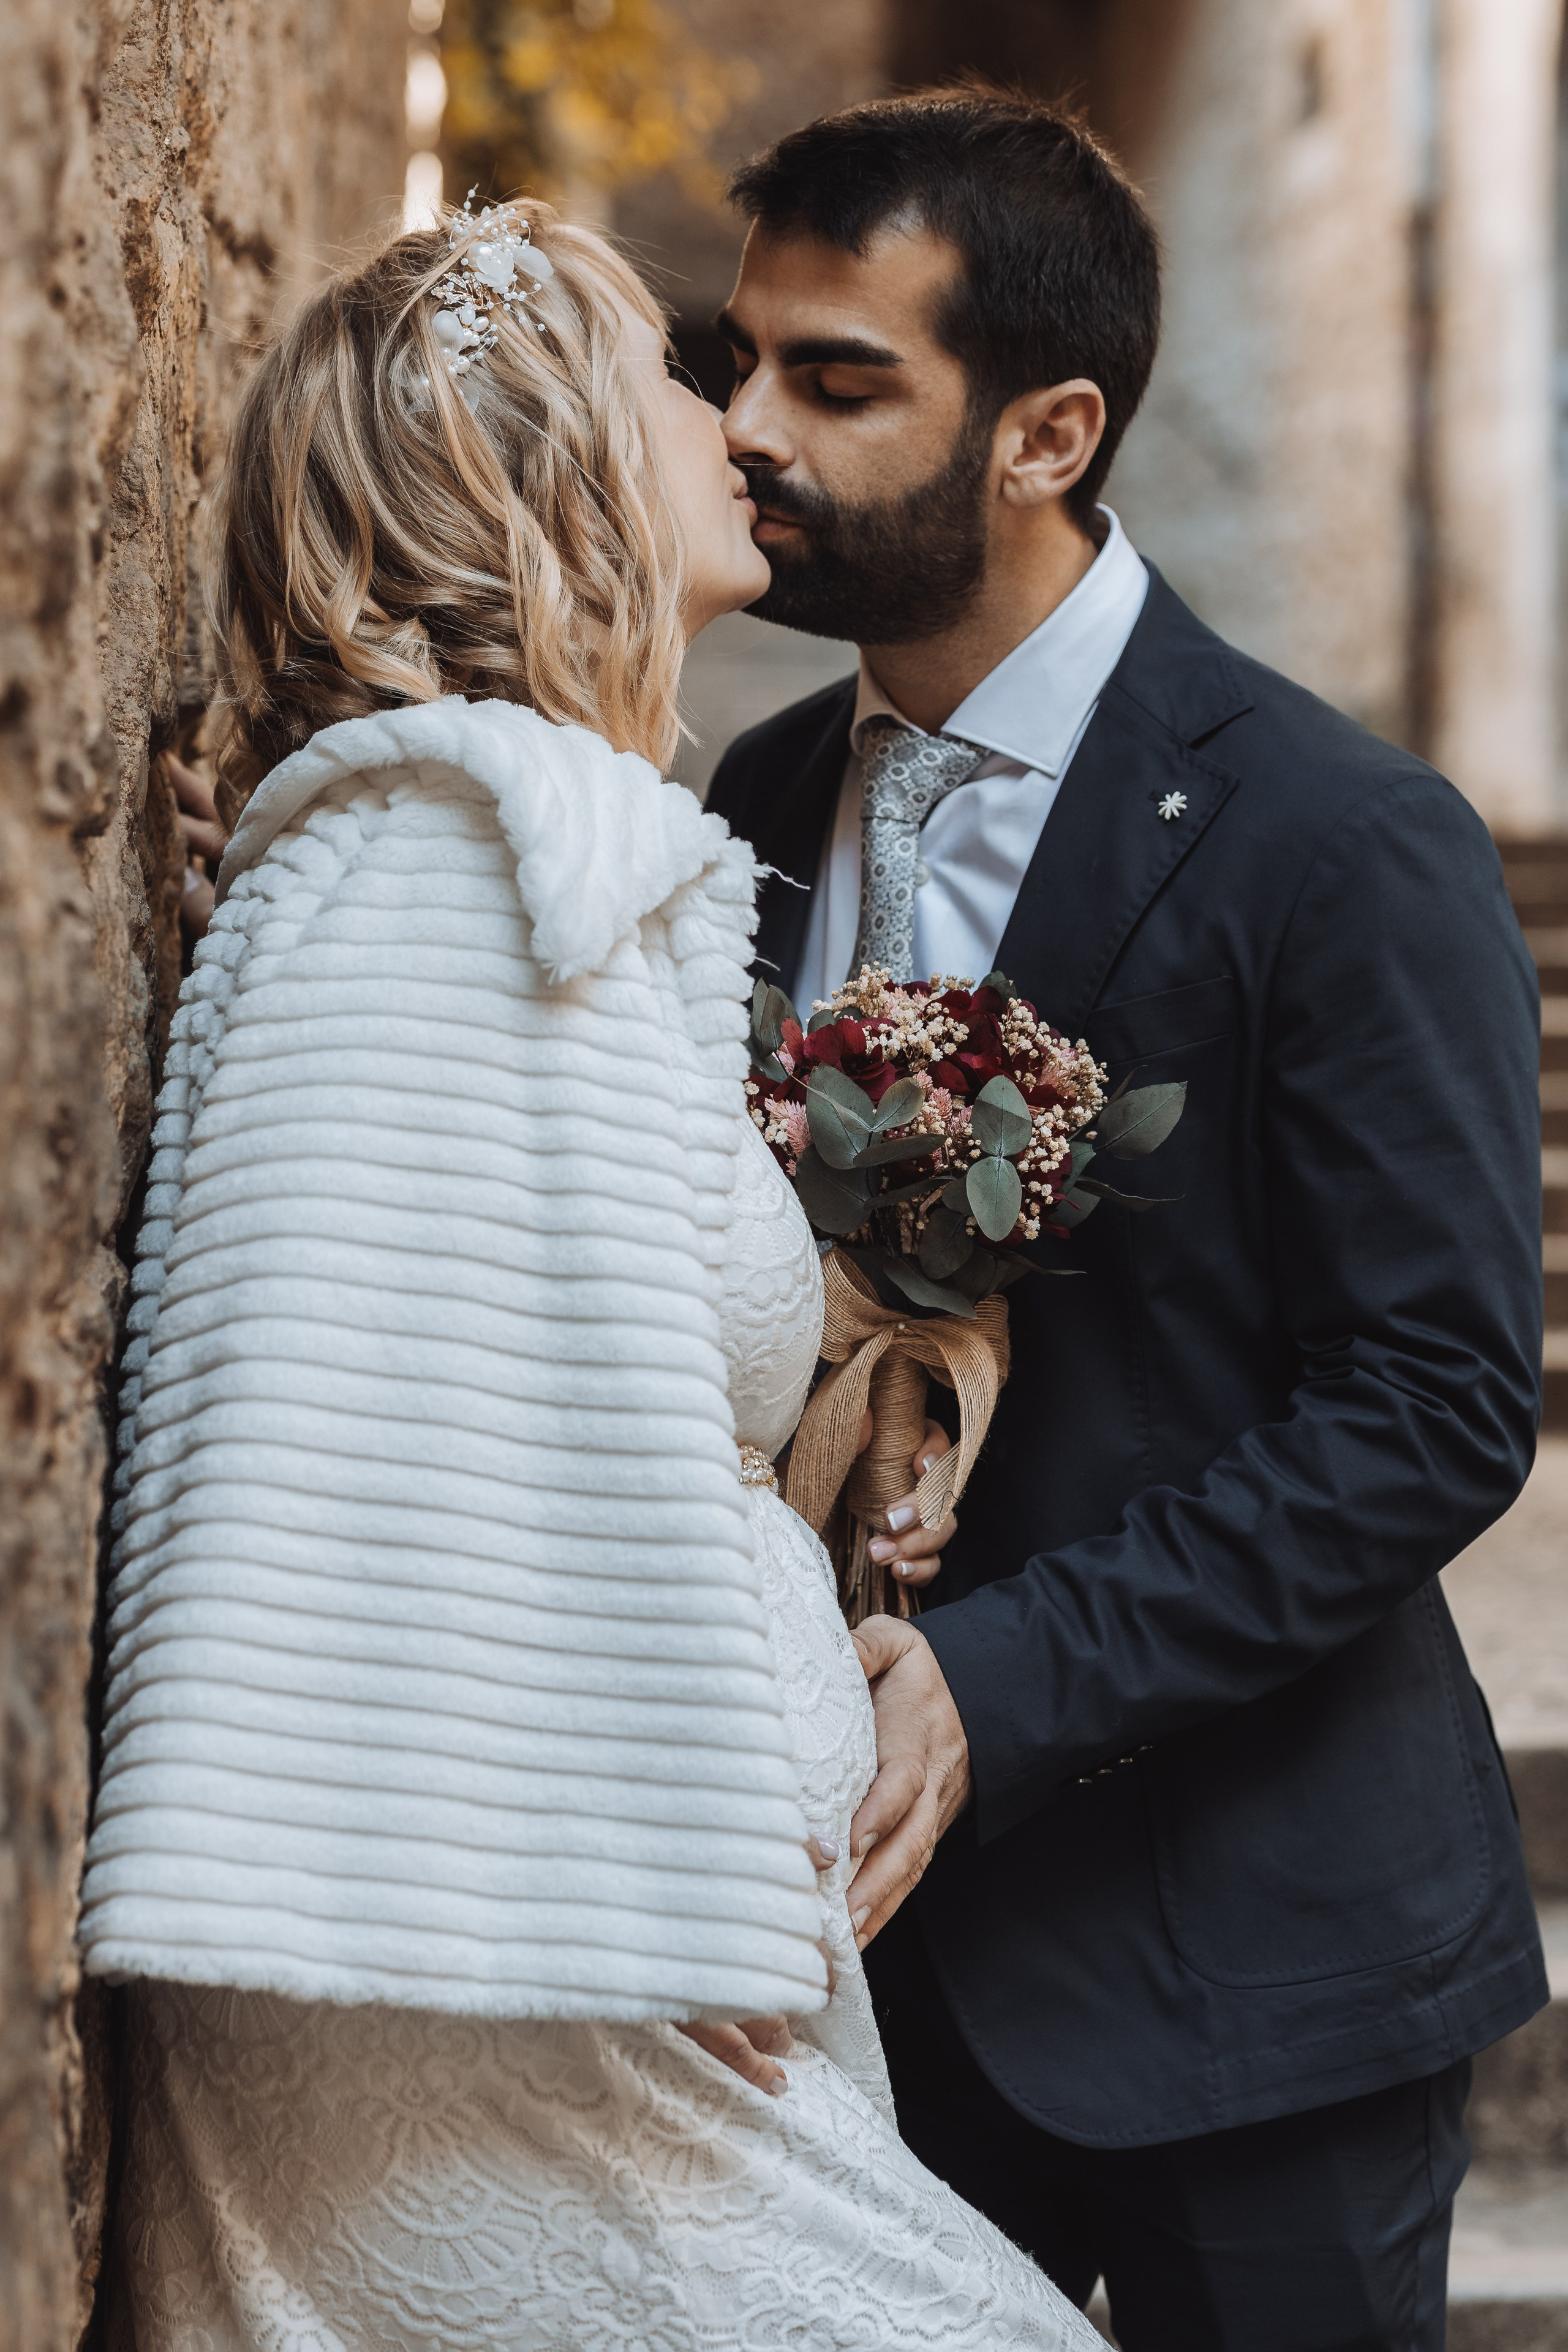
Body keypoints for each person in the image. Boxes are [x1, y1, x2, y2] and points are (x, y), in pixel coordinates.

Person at [80, 199, 1105, 2350]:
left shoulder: (519, 853)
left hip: (597, 1994)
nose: (727, 420)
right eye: (672, 370)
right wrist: (685, 1896)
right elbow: (393, 1492)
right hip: (516, 2007)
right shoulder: (460, 868)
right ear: (546, 457)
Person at [704, 86, 1549, 2352]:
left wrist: (994, 1678)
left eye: (836, 378)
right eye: (743, 359)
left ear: (1048, 431)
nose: (745, 430)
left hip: (1258, 1975)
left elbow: (1438, 1404)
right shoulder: (755, 800)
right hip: (858, 1993)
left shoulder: (1340, 839)